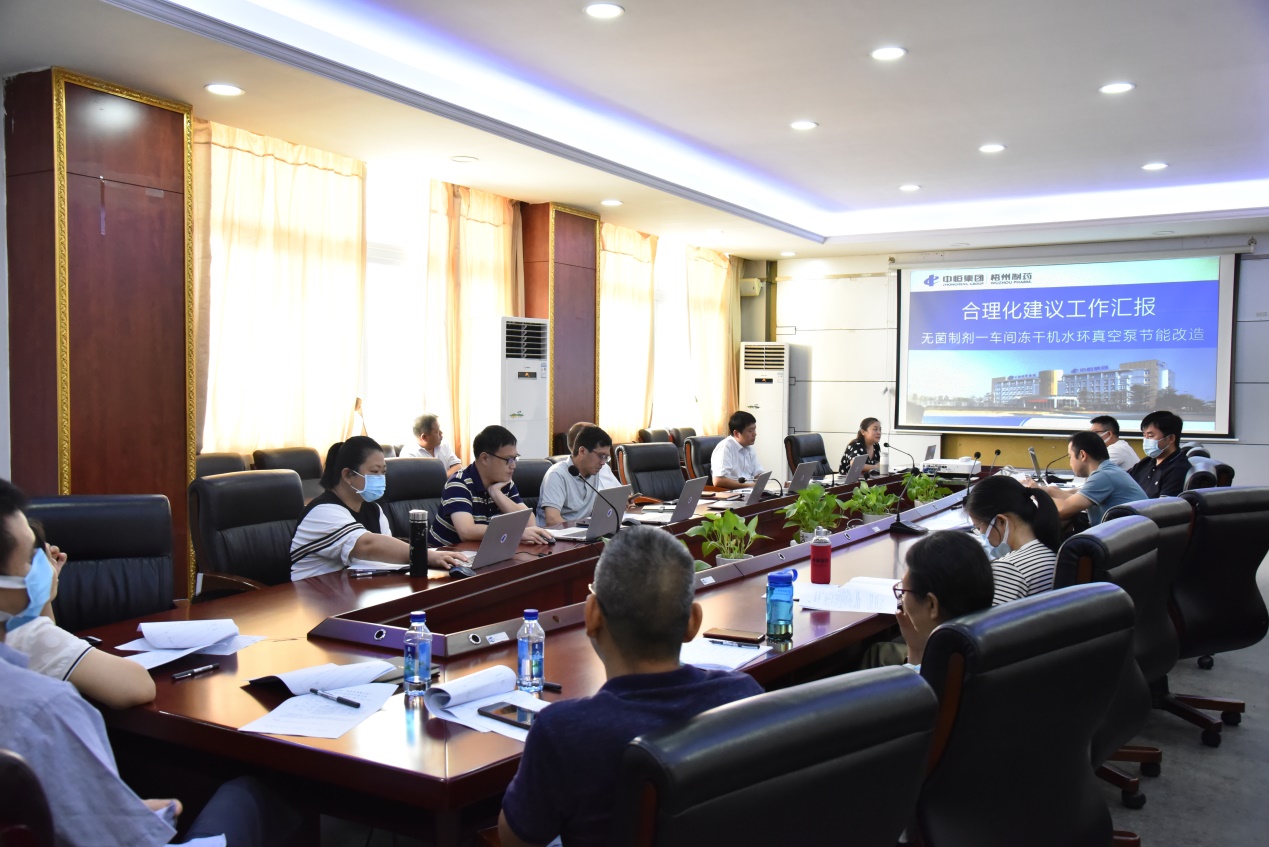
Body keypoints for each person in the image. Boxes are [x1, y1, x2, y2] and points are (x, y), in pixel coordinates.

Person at [497, 526, 762, 847]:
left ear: (592, 614)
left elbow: (515, 839)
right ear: (693, 621)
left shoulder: (563, 731)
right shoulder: (743, 696)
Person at [0, 481, 155, 709]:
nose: (43, 569)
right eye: (30, 560)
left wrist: (42, 598)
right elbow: (139, 686)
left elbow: (49, 663)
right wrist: (41, 592)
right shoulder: (24, 633)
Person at [290, 436, 468, 580]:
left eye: (383, 472)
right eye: (374, 472)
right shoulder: (322, 512)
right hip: (312, 597)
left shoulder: (374, 510)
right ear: (348, 475)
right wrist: (426, 555)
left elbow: (386, 557)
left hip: (353, 592)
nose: (381, 478)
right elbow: (367, 545)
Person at [429, 425, 555, 547]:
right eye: (508, 460)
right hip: (445, 555)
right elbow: (466, 531)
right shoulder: (459, 483)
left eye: (515, 459)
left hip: (484, 551)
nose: (513, 466)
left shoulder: (504, 483)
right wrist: (514, 532)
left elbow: (530, 523)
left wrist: (496, 493)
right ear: (485, 458)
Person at [894, 530, 995, 672]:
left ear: (932, 604)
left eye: (904, 592)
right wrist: (916, 649)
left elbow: (918, 682)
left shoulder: (918, 681)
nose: (902, 600)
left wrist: (915, 652)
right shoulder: (1001, 649)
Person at [964, 475, 1063, 606]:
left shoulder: (1009, 569)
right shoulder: (1051, 550)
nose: (981, 534)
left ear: (1001, 521)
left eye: (978, 527)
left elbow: (995, 619)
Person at [1024, 431, 1147, 526]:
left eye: (1070, 457)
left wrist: (1037, 493)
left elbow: (1063, 509)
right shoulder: (1108, 470)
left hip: (1120, 544)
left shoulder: (1103, 476)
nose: (1070, 463)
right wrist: (1047, 490)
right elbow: (1076, 497)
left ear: (1082, 455)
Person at [538, 425, 624, 526]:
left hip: (582, 530)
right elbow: (552, 520)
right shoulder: (557, 474)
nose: (603, 462)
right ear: (582, 451)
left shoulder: (593, 472)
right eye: (601, 456)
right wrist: (581, 529)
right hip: (557, 533)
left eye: (606, 457)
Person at [1129, 410, 1192, 498]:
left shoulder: (1178, 469)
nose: (1146, 440)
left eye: (1150, 436)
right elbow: (1123, 481)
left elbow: (1164, 504)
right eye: (1144, 436)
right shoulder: (1146, 462)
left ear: (1170, 438)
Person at [711, 411, 765, 490]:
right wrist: (750, 486)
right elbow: (718, 481)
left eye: (754, 429)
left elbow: (758, 473)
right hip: (733, 493)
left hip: (748, 491)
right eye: (750, 431)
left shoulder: (749, 448)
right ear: (736, 433)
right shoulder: (726, 447)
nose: (754, 434)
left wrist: (760, 483)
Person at [399, 413, 462, 478]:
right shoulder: (409, 455)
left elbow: (457, 466)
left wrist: (441, 479)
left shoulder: (444, 444)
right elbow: (417, 480)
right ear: (424, 437)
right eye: (437, 431)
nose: (441, 433)